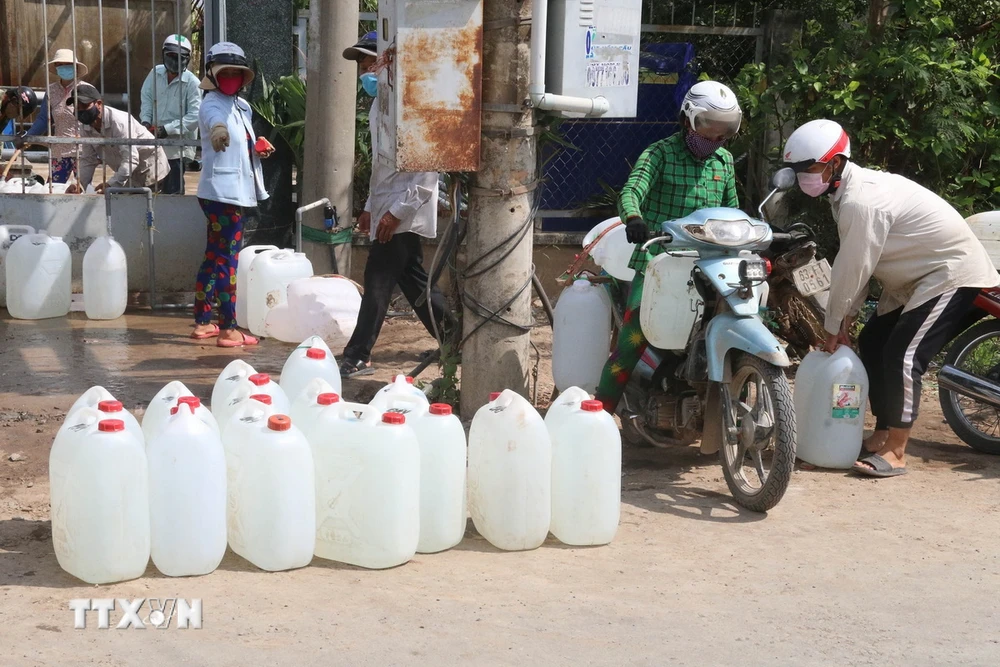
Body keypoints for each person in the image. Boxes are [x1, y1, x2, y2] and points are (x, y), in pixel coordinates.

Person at [782, 119, 1000, 478]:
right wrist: (845, 321)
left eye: (810, 168)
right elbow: (860, 264)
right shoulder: (846, 194)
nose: (805, 176)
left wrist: (834, 325)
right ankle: (883, 432)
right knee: (874, 340)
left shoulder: (861, 201)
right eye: (798, 170)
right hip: (915, 280)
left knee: (904, 354)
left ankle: (897, 450)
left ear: (835, 163)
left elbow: (853, 269)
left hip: (950, 274)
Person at [594, 81, 742, 414]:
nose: (715, 138)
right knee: (633, 340)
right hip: (660, 261)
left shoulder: (724, 162)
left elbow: (733, 210)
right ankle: (600, 416)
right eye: (708, 128)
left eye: (724, 131)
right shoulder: (659, 153)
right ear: (687, 121)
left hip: (712, 264)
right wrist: (633, 218)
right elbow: (631, 192)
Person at [338, 31, 455, 377]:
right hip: (390, 207)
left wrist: (395, 212)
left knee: (377, 278)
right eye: (361, 65)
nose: (364, 72)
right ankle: (453, 336)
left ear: (388, 60)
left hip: (403, 210)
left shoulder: (410, 103)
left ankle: (358, 353)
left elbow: (427, 167)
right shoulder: (381, 103)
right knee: (413, 279)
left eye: (369, 62)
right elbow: (381, 165)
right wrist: (372, 207)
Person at [190, 42, 273, 348]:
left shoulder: (242, 107)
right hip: (224, 196)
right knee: (228, 261)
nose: (231, 78)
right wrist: (218, 132)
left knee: (214, 257)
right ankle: (228, 328)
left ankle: (202, 322)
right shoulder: (212, 103)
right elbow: (216, 124)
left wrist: (256, 145)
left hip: (225, 193)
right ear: (212, 74)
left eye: (236, 73)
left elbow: (238, 140)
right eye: (225, 72)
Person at [65, 82, 169, 193]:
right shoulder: (85, 127)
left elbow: (131, 159)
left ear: (99, 104)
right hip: (128, 173)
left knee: (150, 206)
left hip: (152, 170)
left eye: (85, 106)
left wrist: (111, 184)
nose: (81, 112)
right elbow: (88, 159)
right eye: (77, 108)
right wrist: (78, 183)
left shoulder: (119, 122)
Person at [139, 34, 201, 194]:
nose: (175, 60)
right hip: (154, 143)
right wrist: (145, 121)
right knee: (151, 190)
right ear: (164, 55)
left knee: (173, 191)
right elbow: (146, 97)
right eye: (171, 56)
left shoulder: (193, 83)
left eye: (180, 57)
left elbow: (195, 116)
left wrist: (167, 129)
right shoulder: (155, 73)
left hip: (177, 148)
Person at [20, 49, 87, 184]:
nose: (64, 67)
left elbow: (95, 120)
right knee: (54, 188)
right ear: (56, 68)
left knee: (85, 188)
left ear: (75, 66)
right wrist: (27, 136)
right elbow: (43, 119)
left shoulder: (85, 89)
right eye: (60, 64)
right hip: (59, 150)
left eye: (68, 64)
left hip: (83, 150)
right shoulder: (51, 90)